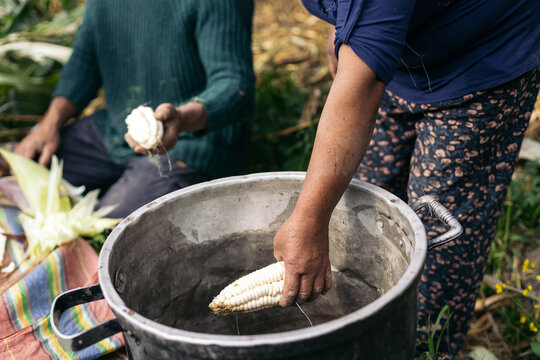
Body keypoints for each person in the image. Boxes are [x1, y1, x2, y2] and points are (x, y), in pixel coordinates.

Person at [273, 0, 539, 357]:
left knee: (435, 262)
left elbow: (361, 87)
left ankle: (424, 350)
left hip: (481, 58)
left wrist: (308, 221)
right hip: (399, 58)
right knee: (361, 220)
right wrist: (344, 27)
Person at [14, 0, 255, 218]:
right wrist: (49, 125)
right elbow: (84, 61)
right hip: (116, 127)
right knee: (22, 177)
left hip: (190, 142)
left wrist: (181, 119)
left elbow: (233, 83)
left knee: (115, 231)